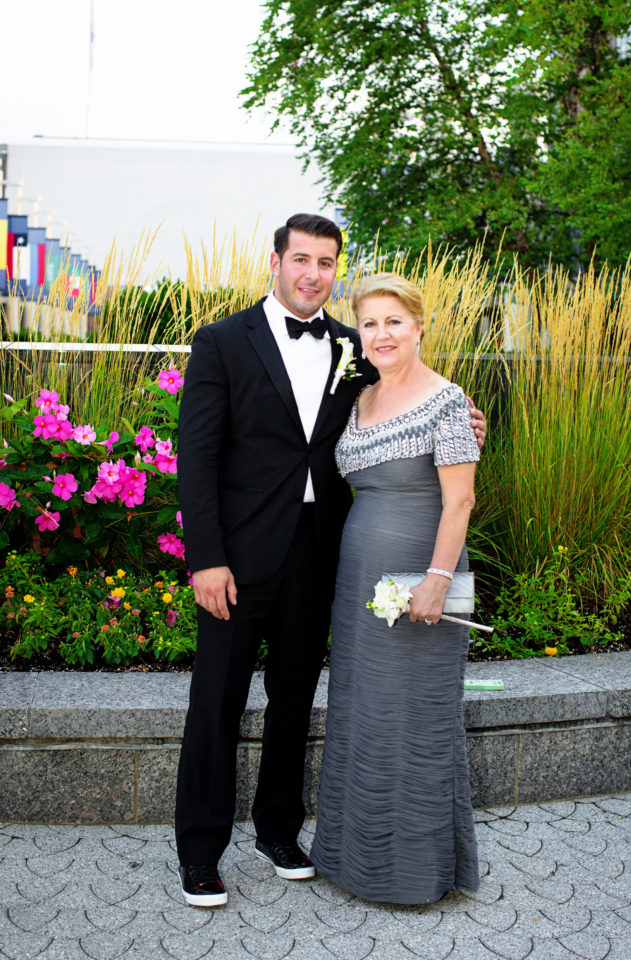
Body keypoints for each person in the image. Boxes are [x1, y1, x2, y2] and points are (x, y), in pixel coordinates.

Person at [175, 214, 486, 907]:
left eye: (325, 263)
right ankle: (199, 852)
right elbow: (194, 458)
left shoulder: (355, 346)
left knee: (294, 700)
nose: (313, 274)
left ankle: (279, 831)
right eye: (301, 260)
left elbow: (413, 412)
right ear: (278, 262)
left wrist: (466, 428)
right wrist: (206, 559)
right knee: (216, 704)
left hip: (323, 556)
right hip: (238, 558)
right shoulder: (222, 342)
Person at [310, 272, 480, 904]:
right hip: (359, 577)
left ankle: (413, 873)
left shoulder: (448, 400)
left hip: (420, 576)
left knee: (414, 714)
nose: (381, 334)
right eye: (370, 323)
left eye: (394, 322)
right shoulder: (358, 397)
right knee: (362, 708)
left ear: (419, 326)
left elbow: (460, 501)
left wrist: (437, 582)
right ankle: (354, 860)